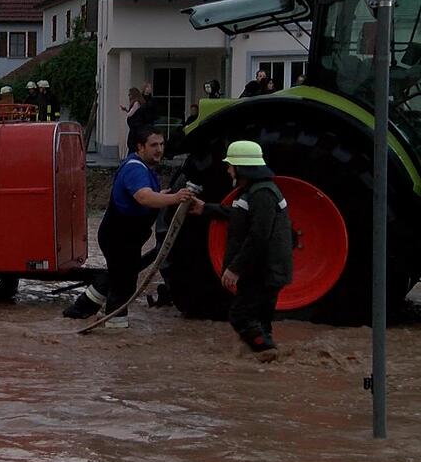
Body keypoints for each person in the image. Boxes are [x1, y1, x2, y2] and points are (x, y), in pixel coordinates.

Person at [62, 128, 194, 327]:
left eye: (161, 144)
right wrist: (174, 198)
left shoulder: (142, 168)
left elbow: (148, 194)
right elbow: (144, 197)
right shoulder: (135, 168)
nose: (159, 149)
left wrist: (165, 195)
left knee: (119, 275)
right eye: (154, 145)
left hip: (124, 237)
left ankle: (79, 311)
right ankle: (116, 327)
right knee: (123, 284)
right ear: (140, 147)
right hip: (118, 237)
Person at [190, 141, 292, 362]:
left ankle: (266, 352)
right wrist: (205, 208)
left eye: (230, 166)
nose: (228, 170)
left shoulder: (262, 194)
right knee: (259, 319)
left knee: (240, 315)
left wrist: (235, 269)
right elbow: (238, 214)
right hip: (262, 271)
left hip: (264, 273)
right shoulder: (253, 192)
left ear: (242, 168)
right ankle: (264, 359)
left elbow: (258, 236)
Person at [121, 87, 157, 154]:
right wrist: (126, 110)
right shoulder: (139, 103)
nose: (129, 96)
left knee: (132, 145)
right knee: (132, 145)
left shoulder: (136, 103)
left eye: (130, 94)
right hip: (135, 127)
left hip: (135, 128)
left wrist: (127, 112)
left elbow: (131, 114)